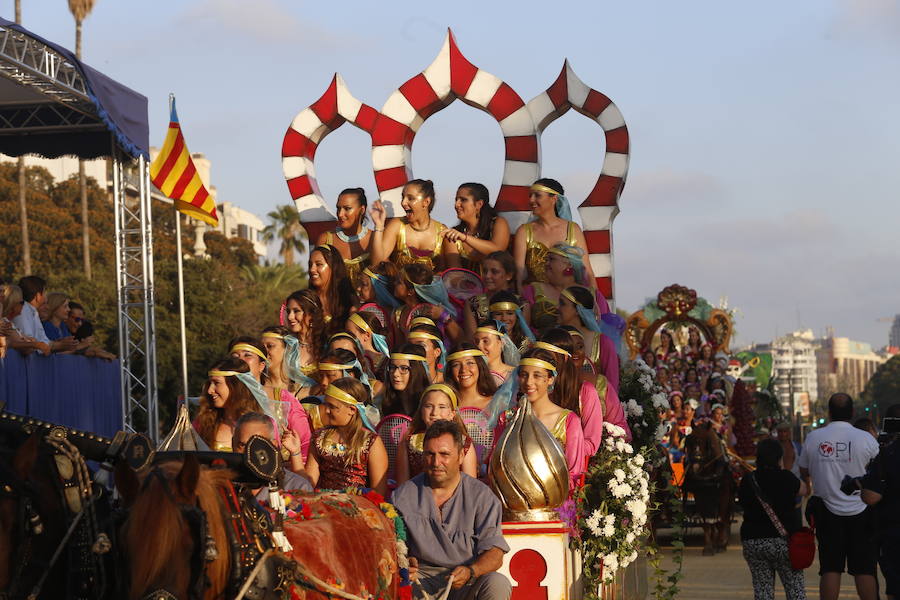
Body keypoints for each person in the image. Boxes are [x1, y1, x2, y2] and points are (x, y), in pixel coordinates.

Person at [391, 420, 511, 600]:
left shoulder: (482, 496)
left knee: (497, 583)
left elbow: (495, 554)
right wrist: (404, 563)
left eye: (444, 454)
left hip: (466, 580)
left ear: (461, 456)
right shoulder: (402, 496)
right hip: (421, 581)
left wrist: (472, 571)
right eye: (430, 454)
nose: (436, 462)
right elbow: (391, 547)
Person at [799, 393, 880, 600]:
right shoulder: (866, 439)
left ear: (829, 413)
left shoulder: (813, 438)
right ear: (852, 413)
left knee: (830, 568)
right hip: (862, 511)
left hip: (827, 511)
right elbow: (880, 471)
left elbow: (804, 470)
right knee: (864, 569)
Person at [737, 438, 808, 600]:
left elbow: (742, 502)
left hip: (753, 542)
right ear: (779, 458)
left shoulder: (748, 480)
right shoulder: (786, 477)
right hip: (784, 542)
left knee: (763, 592)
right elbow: (803, 490)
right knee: (795, 590)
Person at [511, 349, 586, 488]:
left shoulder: (568, 421)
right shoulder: (508, 418)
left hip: (555, 503)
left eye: (537, 375)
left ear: (550, 379)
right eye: (524, 375)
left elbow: (574, 473)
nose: (529, 382)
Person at [303, 377, 389, 497]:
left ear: (352, 410)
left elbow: (378, 492)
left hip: (358, 508)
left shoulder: (371, 442)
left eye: (332, 407)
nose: (326, 410)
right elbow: (309, 482)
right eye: (326, 404)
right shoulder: (319, 437)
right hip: (324, 504)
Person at [512, 178, 595, 289]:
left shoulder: (573, 229)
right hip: (535, 301)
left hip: (568, 301)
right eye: (530, 196)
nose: (531, 200)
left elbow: (587, 272)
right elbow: (520, 273)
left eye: (537, 195)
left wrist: (593, 300)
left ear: (554, 199)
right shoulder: (524, 232)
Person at [858, 404, 900, 600]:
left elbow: (871, 497)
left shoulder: (886, 455)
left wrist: (861, 486)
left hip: (893, 532)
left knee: (896, 586)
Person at [395, 384, 478, 484]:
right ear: (421, 411)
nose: (434, 412)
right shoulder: (407, 443)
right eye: (428, 406)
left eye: (442, 407)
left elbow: (470, 486)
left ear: (452, 413)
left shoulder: (464, 443)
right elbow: (402, 485)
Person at [370, 179, 454, 273]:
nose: (403, 203)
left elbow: (454, 273)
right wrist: (379, 226)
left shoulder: (442, 231)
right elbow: (376, 264)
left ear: (426, 202)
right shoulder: (397, 225)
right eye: (403, 197)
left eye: (410, 198)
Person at [231, 412, 312, 499]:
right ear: (232, 444)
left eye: (257, 446)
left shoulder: (296, 487)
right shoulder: (221, 486)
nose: (249, 452)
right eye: (243, 445)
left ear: (273, 445)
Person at [194, 357, 266, 451]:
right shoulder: (202, 423)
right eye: (210, 383)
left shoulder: (262, 425)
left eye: (217, 383)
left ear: (235, 386)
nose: (210, 390)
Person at [557, 285, 618, 392]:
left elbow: (611, 388)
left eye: (562, 304)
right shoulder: (554, 339)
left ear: (577, 309)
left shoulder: (603, 343)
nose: (557, 308)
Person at [522, 243, 591, 333]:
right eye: (546, 260)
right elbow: (524, 328)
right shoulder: (532, 290)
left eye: (551, 259)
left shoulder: (592, 294)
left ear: (569, 264)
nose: (546, 263)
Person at [442, 183, 510, 270]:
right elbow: (455, 272)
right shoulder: (453, 235)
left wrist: (465, 238)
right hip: (464, 283)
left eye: (463, 200)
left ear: (479, 204)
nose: (456, 205)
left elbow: (498, 250)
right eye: (456, 200)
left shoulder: (498, 223)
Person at [315, 188, 373, 289]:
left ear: (362, 210)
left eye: (347, 208)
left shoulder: (374, 239)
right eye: (338, 208)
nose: (340, 214)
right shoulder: (325, 240)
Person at [12, 276, 77, 353]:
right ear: (38, 296)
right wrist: (59, 345)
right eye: (45, 292)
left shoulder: (33, 312)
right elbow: (29, 345)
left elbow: (43, 342)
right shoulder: (23, 310)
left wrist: (61, 344)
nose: (46, 296)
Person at [463, 251, 519, 337]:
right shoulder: (472, 303)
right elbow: (472, 338)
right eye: (485, 271)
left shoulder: (521, 304)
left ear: (509, 275)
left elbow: (523, 338)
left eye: (494, 272)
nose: (487, 276)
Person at [308, 244, 358, 336]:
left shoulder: (349, 301)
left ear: (333, 267)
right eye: (310, 265)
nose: (312, 269)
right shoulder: (306, 301)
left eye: (318, 264)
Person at [381, 344, 430, 417]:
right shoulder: (383, 402)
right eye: (392, 367)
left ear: (417, 370)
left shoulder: (430, 401)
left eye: (404, 368)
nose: (395, 374)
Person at [445, 345, 497, 414]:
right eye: (456, 365)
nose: (463, 370)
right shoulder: (445, 405)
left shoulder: (496, 403)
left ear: (480, 366)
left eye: (470, 363)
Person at [284, 289, 324, 378]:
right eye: (288, 311)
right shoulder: (285, 345)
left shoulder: (327, 346)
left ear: (312, 314)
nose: (290, 317)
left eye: (296, 311)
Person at [1, 284, 50, 357]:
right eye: (21, 302)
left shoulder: (9, 323)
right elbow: (27, 349)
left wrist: (33, 344)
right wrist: (36, 345)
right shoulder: (5, 325)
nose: (23, 306)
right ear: (13, 303)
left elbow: (30, 343)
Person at [472, 321, 516, 385]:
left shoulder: (515, 374)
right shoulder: (471, 374)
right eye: (477, 341)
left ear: (501, 343)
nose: (479, 346)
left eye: (485, 341)